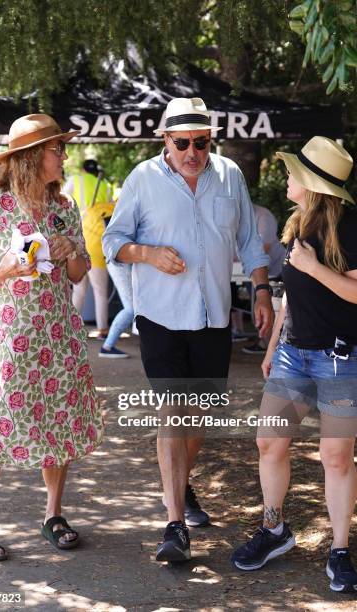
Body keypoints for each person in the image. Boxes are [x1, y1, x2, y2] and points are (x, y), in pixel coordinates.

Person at [103, 97, 273, 562]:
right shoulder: (142, 179)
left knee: (203, 418)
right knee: (174, 411)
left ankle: (178, 485)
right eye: (183, 143)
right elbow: (112, 242)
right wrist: (148, 254)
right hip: (160, 316)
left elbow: (248, 241)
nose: (193, 152)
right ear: (165, 140)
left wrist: (261, 291)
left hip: (213, 316)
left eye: (201, 142)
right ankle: (174, 525)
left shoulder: (230, 176)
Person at [0, 114, 103, 561]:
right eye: (58, 149)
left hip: (57, 334)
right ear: (34, 156)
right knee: (0, 421)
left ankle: (53, 514)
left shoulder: (63, 207)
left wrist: (70, 252)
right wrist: (0, 270)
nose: (64, 156)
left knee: (58, 421)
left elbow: (80, 273)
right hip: (5, 336)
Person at [231, 136, 357, 593]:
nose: (286, 178)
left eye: (292, 172)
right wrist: (271, 348)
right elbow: (291, 294)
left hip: (341, 359)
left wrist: (314, 266)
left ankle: (339, 550)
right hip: (293, 355)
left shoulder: (351, 227)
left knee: (336, 457)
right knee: (269, 442)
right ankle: (274, 530)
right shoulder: (297, 224)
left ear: (312, 182)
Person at [64, 159, 113, 339]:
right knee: (100, 291)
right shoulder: (105, 186)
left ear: (83, 169)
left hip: (78, 239)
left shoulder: (76, 180)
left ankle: (71, 329)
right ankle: (102, 329)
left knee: (79, 289)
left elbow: (61, 200)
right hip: (98, 242)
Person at [242, 204, 285, 354]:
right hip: (253, 271)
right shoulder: (238, 215)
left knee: (273, 308)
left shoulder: (263, 215)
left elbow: (263, 248)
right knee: (260, 306)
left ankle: (267, 344)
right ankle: (265, 341)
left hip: (276, 271)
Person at [98, 261, 133, 358]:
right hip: (119, 263)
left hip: (118, 263)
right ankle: (107, 347)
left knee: (132, 308)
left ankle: (107, 346)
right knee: (131, 309)